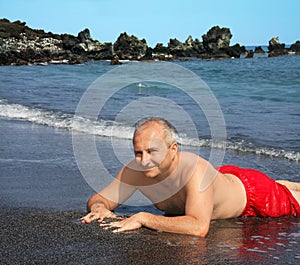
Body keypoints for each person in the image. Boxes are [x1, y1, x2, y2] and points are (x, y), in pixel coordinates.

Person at [81, 117, 300, 236]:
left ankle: (284, 188)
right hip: (224, 179)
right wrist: (99, 208)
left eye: (152, 151)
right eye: (139, 152)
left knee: (289, 197)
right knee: (282, 186)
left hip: (256, 197)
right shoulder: (137, 170)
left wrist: (144, 217)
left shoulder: (194, 171)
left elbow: (198, 227)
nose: (144, 159)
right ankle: (284, 185)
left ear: (173, 149)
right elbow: (100, 198)